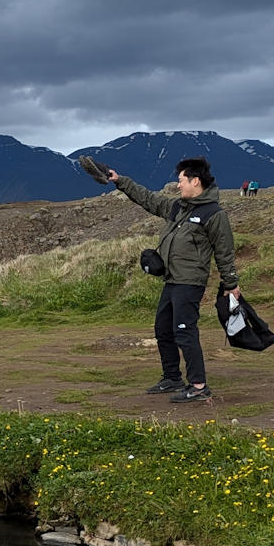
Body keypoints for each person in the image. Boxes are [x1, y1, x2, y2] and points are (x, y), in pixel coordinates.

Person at [85, 155, 240, 404]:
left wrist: (231, 284)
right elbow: (148, 199)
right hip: (172, 280)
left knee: (184, 331)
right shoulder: (178, 208)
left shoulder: (214, 214)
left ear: (195, 181)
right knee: (162, 329)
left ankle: (199, 386)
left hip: (190, 282)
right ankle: (172, 377)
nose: (178, 185)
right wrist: (119, 180)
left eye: (181, 180)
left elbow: (225, 250)